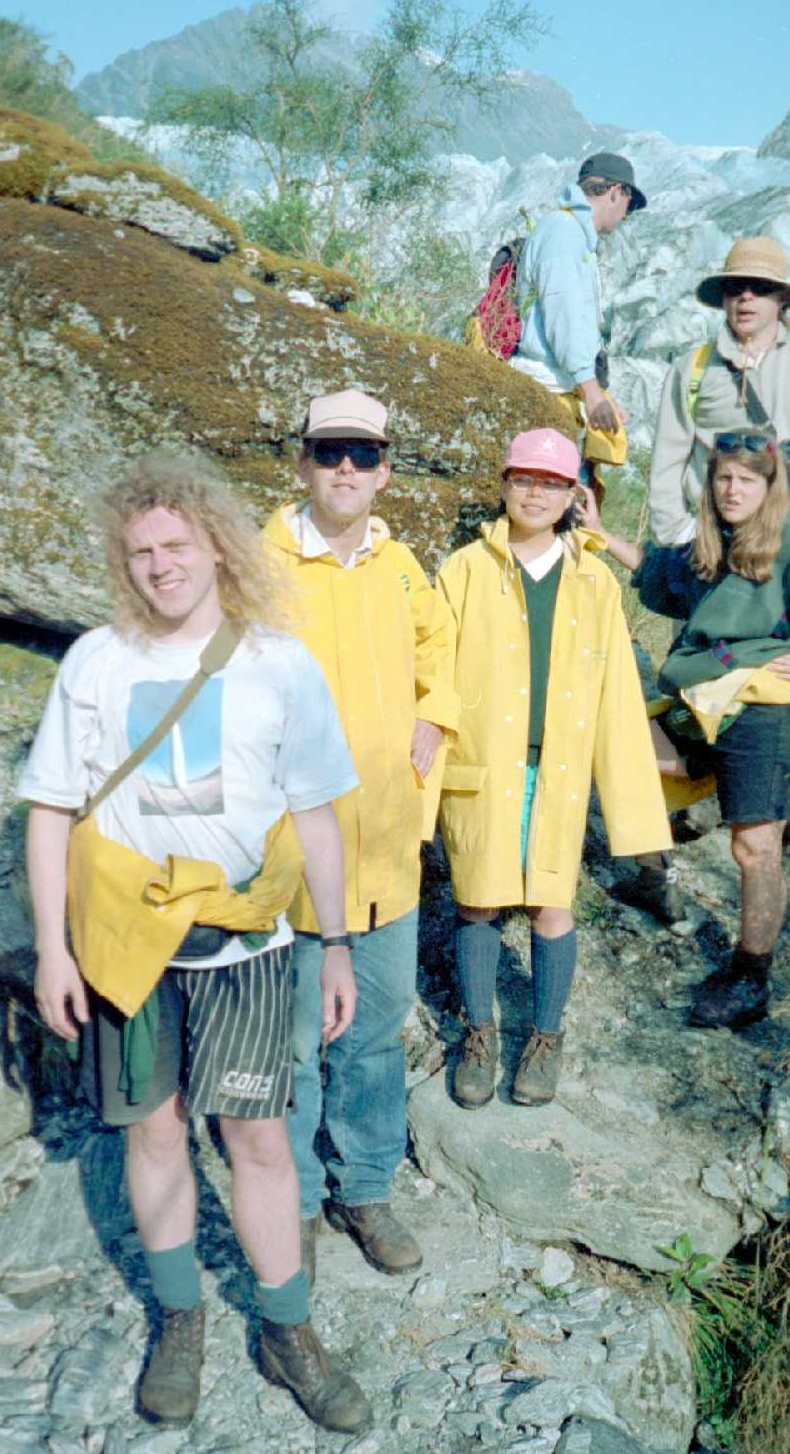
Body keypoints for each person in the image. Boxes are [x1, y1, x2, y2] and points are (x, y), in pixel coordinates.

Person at [21, 460, 371, 1435]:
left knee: (258, 1139)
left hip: (248, 947)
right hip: (128, 953)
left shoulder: (278, 662)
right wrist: (54, 950)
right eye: (140, 553)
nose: (159, 566)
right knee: (154, 1129)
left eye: (176, 545)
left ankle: (287, 1329)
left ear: (217, 543)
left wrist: (333, 945)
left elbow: (316, 816)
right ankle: (179, 1318)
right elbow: (50, 813)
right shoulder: (98, 661)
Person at [586, 430, 790, 1029]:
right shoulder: (714, 541)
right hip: (706, 696)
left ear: (768, 485)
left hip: (770, 710)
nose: (733, 490)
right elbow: (660, 576)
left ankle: (750, 979)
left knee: (755, 847)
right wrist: (601, 536)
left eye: (747, 480)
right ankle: (656, 880)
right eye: (723, 477)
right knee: (623, 750)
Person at [263, 390, 458, 1282]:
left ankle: (365, 1186)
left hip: (386, 852)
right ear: (301, 462)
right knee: (296, 1039)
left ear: (385, 470)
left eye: (365, 455)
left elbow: (439, 654)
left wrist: (436, 715)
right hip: (296, 861)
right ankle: (296, 1198)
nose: (348, 469)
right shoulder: (261, 563)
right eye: (330, 451)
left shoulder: (400, 565)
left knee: (374, 1034)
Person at [434, 428, 672, 1108]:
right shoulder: (465, 570)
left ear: (575, 495)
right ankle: (477, 1030)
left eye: (552, 482)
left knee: (550, 904)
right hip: (483, 764)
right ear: (504, 484)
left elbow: (615, 695)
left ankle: (545, 1035)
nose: (536, 492)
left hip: (557, 768)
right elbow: (437, 675)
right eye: (523, 478)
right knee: (478, 899)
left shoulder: (594, 581)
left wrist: (631, 797)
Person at [649, 236, 790, 547]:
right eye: (735, 288)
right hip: (713, 537)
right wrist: (679, 534)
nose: (746, 297)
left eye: (760, 288)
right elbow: (667, 459)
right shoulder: (692, 368)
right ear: (723, 298)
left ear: (782, 298)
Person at [510, 152, 648, 491]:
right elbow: (564, 317)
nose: (626, 216)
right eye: (629, 205)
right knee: (558, 496)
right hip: (546, 389)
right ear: (616, 191)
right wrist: (591, 392)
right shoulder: (563, 232)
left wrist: (600, 396)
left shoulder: (571, 233)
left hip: (560, 386)